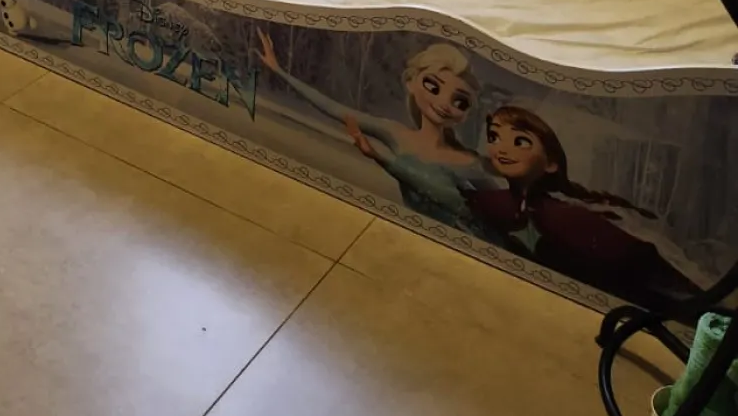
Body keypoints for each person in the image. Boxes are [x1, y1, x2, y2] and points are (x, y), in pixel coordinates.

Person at [466, 104, 703, 304]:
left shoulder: (565, 217)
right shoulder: (491, 199)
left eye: (520, 141)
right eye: (494, 137)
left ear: (551, 163)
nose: (501, 149)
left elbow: (641, 260)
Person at [257, 32, 496, 227]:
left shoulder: (469, 162)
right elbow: (333, 108)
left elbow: (502, 212)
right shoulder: (395, 133)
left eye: (459, 102)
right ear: (411, 83)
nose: (444, 103)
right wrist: (279, 71)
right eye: (433, 87)